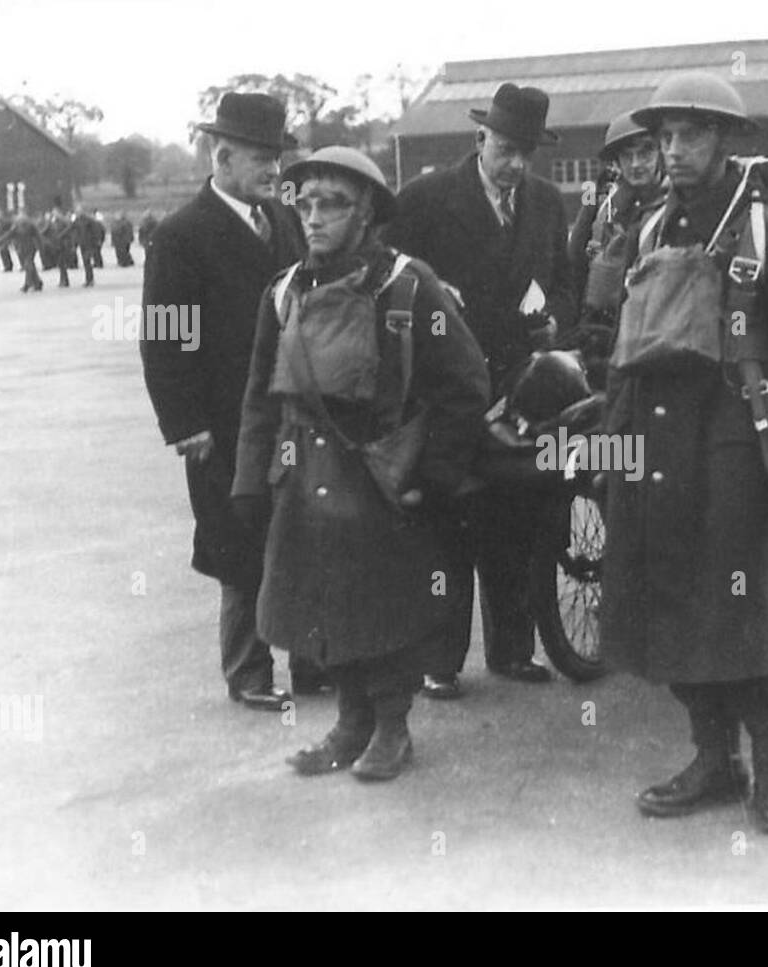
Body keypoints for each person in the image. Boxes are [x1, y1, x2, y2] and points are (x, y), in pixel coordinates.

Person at [600, 71, 768, 836]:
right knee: (678, 613)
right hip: (661, 453)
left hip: (743, 451)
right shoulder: (649, 229)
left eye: (692, 135)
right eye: (665, 137)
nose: (674, 151)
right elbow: (626, 354)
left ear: (728, 140)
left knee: (757, 620)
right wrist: (615, 453)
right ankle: (713, 760)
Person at [233, 147, 490, 778]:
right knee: (321, 603)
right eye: (304, 202)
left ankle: (393, 730)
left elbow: (466, 384)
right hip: (305, 477)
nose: (314, 217)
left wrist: (431, 475)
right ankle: (350, 725)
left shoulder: (407, 284)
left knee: (383, 607)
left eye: (332, 203)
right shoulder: (285, 290)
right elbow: (259, 397)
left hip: (379, 478)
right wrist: (248, 480)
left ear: (367, 211)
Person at [383, 82, 577, 699]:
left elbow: (567, 285)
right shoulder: (423, 199)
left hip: (518, 389)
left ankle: (513, 650)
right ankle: (439, 662)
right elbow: (383, 271)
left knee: (514, 518)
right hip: (443, 393)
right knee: (447, 524)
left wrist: (555, 323)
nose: (516, 163)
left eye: (527, 152)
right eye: (506, 148)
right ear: (480, 139)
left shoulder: (547, 204)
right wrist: (429, 284)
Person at [140, 92, 315, 710]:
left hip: (290, 415)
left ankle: (313, 664)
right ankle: (249, 674)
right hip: (219, 422)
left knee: (299, 534)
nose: (274, 170)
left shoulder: (286, 223)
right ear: (223, 155)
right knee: (238, 545)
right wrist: (184, 422)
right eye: (262, 158)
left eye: (277, 156)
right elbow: (164, 337)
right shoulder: (182, 236)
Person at [566, 111, 665, 384]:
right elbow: (574, 267)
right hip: (603, 332)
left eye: (645, 153)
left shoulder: (677, 203)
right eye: (626, 156)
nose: (636, 164)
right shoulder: (601, 202)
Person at [0, 212, 44, 292]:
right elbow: (9, 235)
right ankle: (38, 282)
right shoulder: (21, 225)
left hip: (29, 247)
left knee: (28, 265)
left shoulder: (23, 225)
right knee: (30, 265)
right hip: (26, 247)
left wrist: (41, 246)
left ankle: (27, 284)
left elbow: (9, 235)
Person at [68, 208, 100, 287]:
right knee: (86, 262)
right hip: (82, 244)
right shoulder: (77, 220)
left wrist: (97, 240)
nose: (77, 214)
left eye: (78, 212)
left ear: (81, 212)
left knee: (87, 261)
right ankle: (88, 279)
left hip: (89, 243)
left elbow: (95, 230)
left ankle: (90, 280)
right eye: (76, 212)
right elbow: (70, 228)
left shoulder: (88, 220)